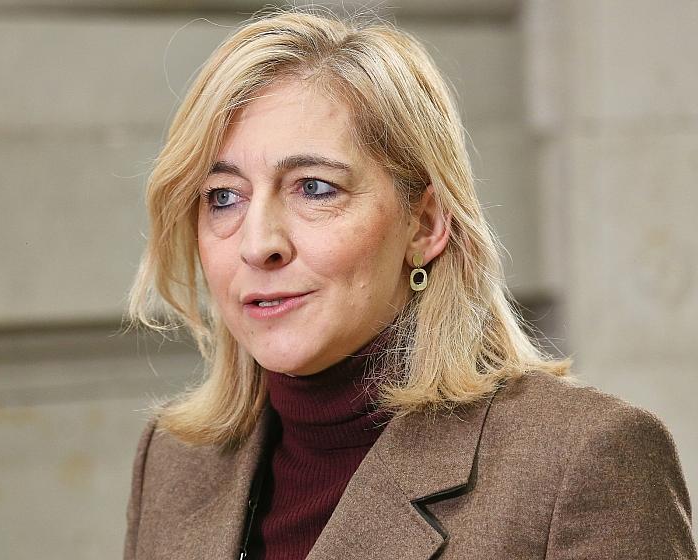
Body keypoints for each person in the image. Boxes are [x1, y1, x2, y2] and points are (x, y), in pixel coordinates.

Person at [122, 10, 695, 560]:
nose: (258, 243)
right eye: (224, 196)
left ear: (424, 225)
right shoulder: (173, 463)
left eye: (315, 188)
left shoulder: (580, 460)